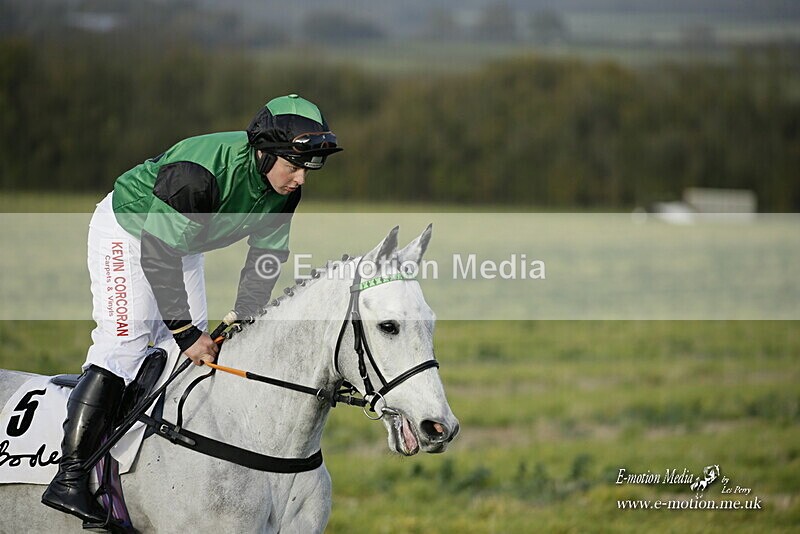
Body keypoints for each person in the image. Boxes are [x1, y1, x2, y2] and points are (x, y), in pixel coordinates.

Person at [41, 94, 342, 524]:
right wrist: (185, 332)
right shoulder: (198, 174)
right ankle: (69, 477)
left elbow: (266, 256)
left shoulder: (282, 191)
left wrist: (244, 317)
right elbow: (157, 255)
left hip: (181, 243)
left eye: (308, 168)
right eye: (293, 166)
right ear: (263, 153)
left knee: (191, 355)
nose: (300, 180)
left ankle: (151, 465)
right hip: (131, 231)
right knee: (126, 344)